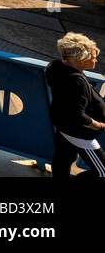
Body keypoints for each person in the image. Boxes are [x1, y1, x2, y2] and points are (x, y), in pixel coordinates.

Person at [45, 32, 105, 177]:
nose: (96, 60)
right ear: (78, 60)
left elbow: (70, 104)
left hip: (63, 125)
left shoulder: (57, 67)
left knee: (63, 159)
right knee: (102, 171)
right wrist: (98, 125)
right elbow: (76, 114)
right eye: (92, 57)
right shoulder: (75, 81)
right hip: (80, 133)